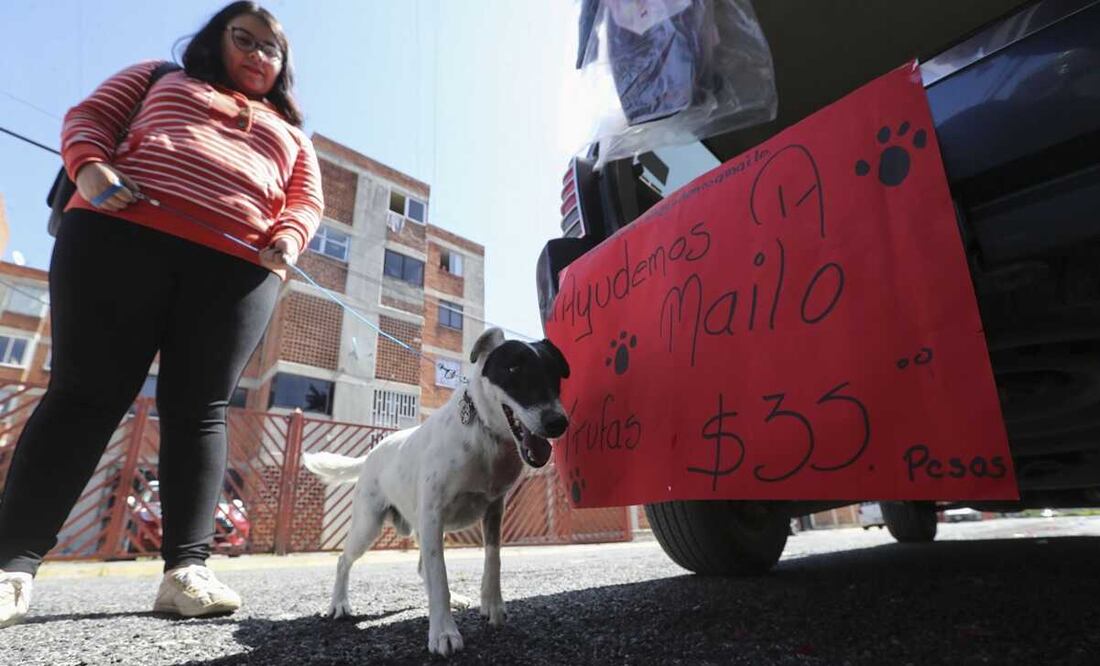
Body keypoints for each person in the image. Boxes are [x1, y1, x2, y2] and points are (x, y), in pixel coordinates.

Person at [0, 1, 322, 626]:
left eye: (271, 50)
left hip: (237, 267)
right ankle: (10, 566)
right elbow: (90, 117)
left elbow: (305, 199)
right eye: (245, 39)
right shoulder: (157, 77)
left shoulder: (292, 134)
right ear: (214, 39)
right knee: (85, 395)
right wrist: (90, 169)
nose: (259, 56)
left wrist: (290, 238)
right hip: (121, 238)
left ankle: (185, 572)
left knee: (200, 411)